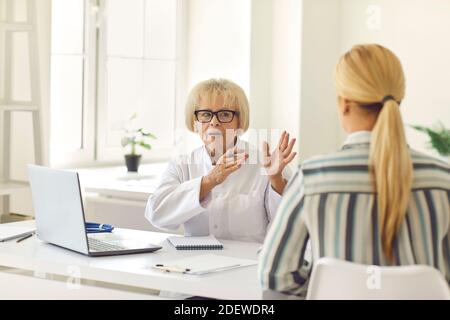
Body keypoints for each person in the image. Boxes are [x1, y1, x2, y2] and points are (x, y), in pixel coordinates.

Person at [258, 44, 450, 298]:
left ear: (344, 104)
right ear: (399, 100)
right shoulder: (443, 179)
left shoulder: (311, 178)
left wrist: (326, 288)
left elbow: (275, 276)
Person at [145, 78, 297, 242]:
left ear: (240, 121)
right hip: (195, 262)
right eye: (205, 114)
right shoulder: (182, 165)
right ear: (195, 122)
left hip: (250, 262)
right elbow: (157, 214)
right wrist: (209, 181)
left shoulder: (266, 163)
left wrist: (276, 181)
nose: (214, 121)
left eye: (224, 114)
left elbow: (290, 226)